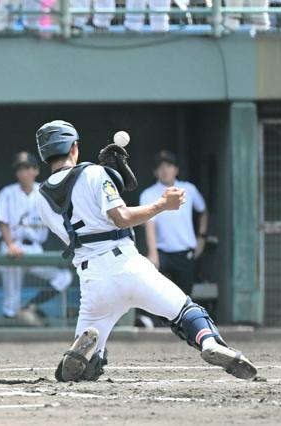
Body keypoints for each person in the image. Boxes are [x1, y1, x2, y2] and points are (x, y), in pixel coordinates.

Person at [33, 120, 257, 382]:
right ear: (74, 148)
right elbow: (122, 217)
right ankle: (208, 342)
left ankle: (84, 360)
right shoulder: (93, 173)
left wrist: (106, 177)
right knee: (185, 311)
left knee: (86, 366)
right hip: (128, 265)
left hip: (92, 279)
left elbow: (77, 201)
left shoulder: (40, 196)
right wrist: (162, 204)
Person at [0, 152, 73, 326]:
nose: (24, 172)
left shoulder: (45, 192)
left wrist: (69, 243)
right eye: (20, 169)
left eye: (28, 168)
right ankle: (9, 332)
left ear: (36, 170)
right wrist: (9, 245)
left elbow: (58, 222)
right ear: (16, 173)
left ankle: (30, 306)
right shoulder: (7, 193)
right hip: (12, 247)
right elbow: (2, 222)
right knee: (11, 298)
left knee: (63, 277)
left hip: (35, 248)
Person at [140, 150, 208, 296]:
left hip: (186, 253)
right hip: (162, 254)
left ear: (176, 170)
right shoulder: (148, 194)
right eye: (161, 167)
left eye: (169, 166)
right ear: (155, 172)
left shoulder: (189, 189)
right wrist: (153, 253)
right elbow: (150, 224)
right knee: (159, 296)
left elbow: (203, 211)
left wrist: (201, 237)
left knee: (184, 298)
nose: (165, 170)